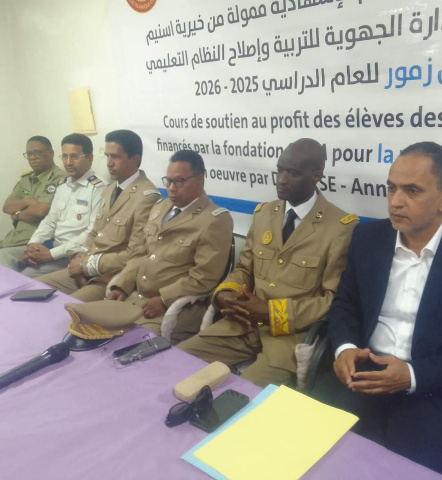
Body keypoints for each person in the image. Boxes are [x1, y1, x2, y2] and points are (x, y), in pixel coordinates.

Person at [312, 142, 442, 473]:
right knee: (305, 445)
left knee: (400, 470)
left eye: (411, 191)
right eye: (392, 188)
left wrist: (413, 375)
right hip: (362, 370)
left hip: (428, 386)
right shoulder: (368, 238)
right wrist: (344, 348)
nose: (395, 201)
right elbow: (345, 303)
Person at [177, 138, 358, 386]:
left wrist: (272, 313)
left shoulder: (339, 227)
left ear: (316, 177)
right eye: (280, 170)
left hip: (287, 338)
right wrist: (225, 295)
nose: (282, 179)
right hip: (242, 326)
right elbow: (244, 269)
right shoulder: (264, 213)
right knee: (177, 362)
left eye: (293, 173)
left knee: (245, 396)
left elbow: (331, 300)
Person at [106, 149, 234, 342]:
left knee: (129, 345)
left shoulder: (214, 220)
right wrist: (122, 285)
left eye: (179, 181)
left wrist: (165, 299)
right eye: (168, 181)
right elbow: (141, 252)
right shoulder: (160, 207)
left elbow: (204, 277)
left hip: (173, 308)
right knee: (97, 331)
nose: (172, 188)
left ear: (199, 180)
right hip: (135, 297)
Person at [38, 130, 160, 301]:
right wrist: (79, 258)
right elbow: (94, 233)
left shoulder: (146, 197)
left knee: (66, 308)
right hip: (86, 266)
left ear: (135, 159)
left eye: (115, 157)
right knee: (34, 287)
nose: (109, 163)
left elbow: (134, 253)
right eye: (107, 156)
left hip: (110, 276)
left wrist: (86, 265)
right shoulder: (110, 189)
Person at [18, 133, 106, 278]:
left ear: (89, 158)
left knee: (26, 275)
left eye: (75, 156)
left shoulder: (99, 188)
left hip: (74, 254)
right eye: (64, 156)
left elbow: (91, 233)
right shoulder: (63, 185)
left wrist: (51, 254)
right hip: (53, 247)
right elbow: (50, 221)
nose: (68, 162)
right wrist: (33, 244)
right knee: (6, 260)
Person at [0, 136, 64, 270]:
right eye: (29, 154)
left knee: (2, 258)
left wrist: (17, 215)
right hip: (13, 239)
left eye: (38, 152)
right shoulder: (26, 178)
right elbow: (6, 206)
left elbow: (40, 211)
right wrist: (28, 201)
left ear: (51, 153)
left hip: (36, 242)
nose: (33, 157)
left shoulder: (59, 178)